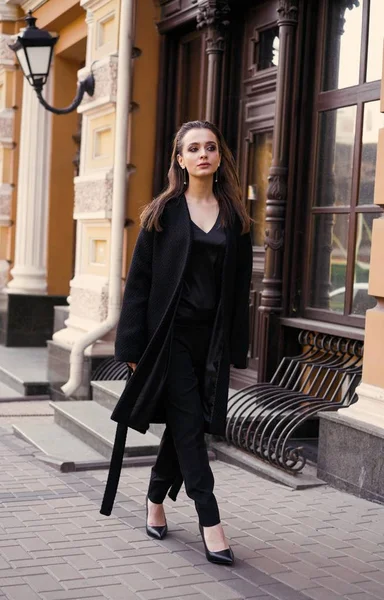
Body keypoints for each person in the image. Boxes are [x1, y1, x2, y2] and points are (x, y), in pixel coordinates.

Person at [100, 120, 252, 566]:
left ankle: (153, 497)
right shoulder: (162, 214)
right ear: (180, 160)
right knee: (189, 428)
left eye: (210, 147)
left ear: (219, 157)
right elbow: (139, 285)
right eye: (193, 148)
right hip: (170, 340)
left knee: (189, 426)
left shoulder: (236, 218)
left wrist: (237, 347)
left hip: (212, 340)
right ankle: (211, 521)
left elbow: (239, 289)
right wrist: (131, 348)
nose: (203, 154)